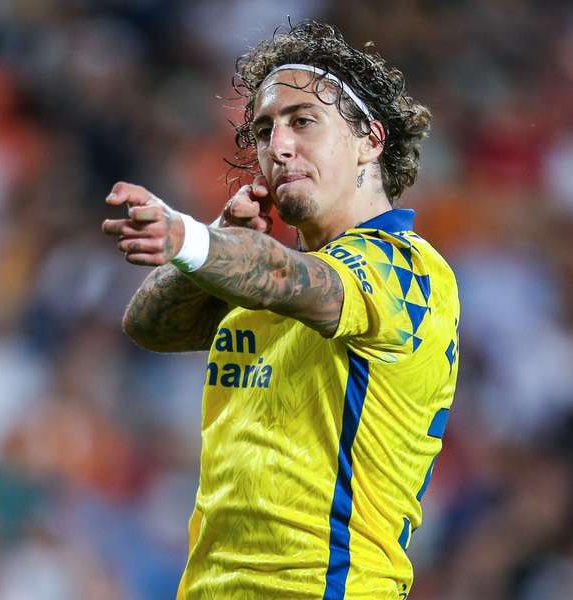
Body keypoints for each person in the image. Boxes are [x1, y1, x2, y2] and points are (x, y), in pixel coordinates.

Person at [101, 21, 459, 599]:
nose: (278, 146)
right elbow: (148, 326)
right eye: (264, 131)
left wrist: (193, 242)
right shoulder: (257, 275)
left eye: (302, 121)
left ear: (370, 138)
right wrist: (217, 239)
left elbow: (297, 284)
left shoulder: (410, 271)